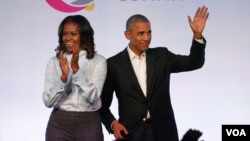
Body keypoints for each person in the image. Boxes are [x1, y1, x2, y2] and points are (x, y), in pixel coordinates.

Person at [99, 6, 209, 141]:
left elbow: (194, 63)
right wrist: (113, 124)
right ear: (128, 35)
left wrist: (197, 36)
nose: (147, 38)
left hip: (164, 131)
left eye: (149, 32)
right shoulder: (113, 64)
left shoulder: (161, 56)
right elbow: (102, 104)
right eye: (141, 33)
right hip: (131, 133)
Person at [42, 15, 107, 141]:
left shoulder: (98, 61)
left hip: (89, 121)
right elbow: (48, 101)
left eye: (73, 34)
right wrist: (63, 78)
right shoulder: (54, 62)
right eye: (64, 34)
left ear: (83, 35)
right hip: (59, 122)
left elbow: (94, 96)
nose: (68, 38)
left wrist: (76, 70)